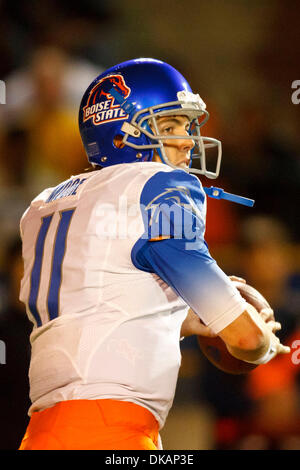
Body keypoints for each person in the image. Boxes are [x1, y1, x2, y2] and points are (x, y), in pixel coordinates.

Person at [18, 58, 290, 450]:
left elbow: (91, 308)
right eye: (168, 127)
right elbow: (245, 339)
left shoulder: (44, 205)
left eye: (186, 126)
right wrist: (263, 342)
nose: (187, 140)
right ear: (119, 134)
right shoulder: (158, 184)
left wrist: (178, 318)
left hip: (42, 433)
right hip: (112, 431)